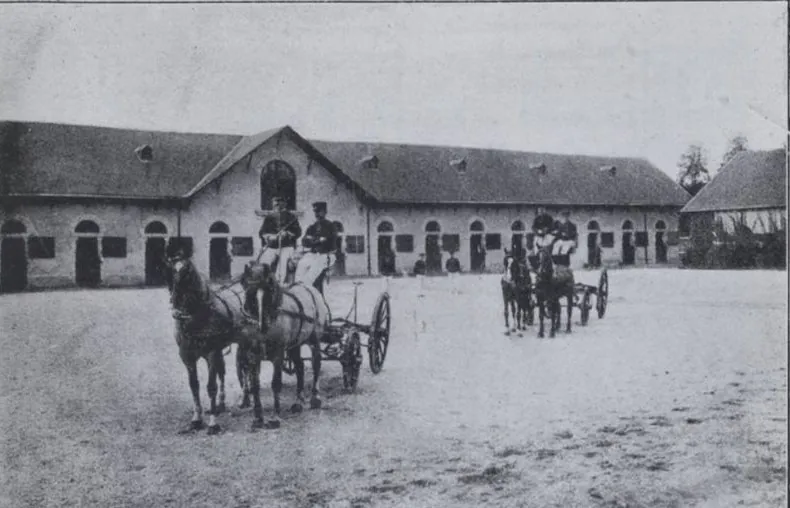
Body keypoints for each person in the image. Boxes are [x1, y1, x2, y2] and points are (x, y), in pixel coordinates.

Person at [295, 201, 337, 294]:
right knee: (301, 264)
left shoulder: (331, 226)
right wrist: (318, 240)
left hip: (326, 255)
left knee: (313, 272)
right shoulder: (312, 226)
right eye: (315, 212)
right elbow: (304, 242)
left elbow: (329, 242)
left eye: (319, 211)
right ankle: (298, 289)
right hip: (313, 254)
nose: (317, 214)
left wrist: (312, 240)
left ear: (325, 212)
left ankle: (307, 290)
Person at [258, 195, 302, 284]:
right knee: (263, 262)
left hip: (286, 247)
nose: (277, 204)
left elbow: (298, 232)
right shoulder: (269, 217)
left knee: (283, 264)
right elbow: (262, 232)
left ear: (285, 203)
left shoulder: (291, 217)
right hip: (272, 247)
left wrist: (287, 234)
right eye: (275, 202)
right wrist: (268, 236)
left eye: (280, 201)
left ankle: (279, 284)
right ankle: (263, 283)